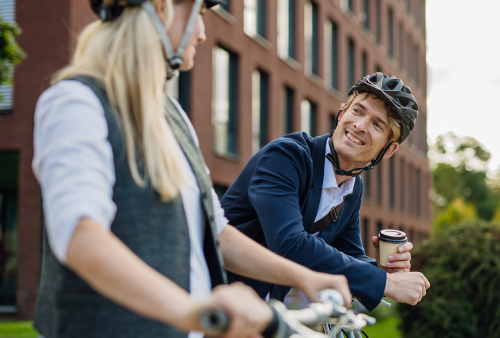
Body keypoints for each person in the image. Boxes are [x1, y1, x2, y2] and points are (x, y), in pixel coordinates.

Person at [31, 1, 351, 338]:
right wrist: (193, 311)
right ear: (161, 8)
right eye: (199, 14)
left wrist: (305, 276)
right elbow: (81, 236)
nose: (202, 33)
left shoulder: (174, 117)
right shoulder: (76, 101)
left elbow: (217, 231)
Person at [220, 72, 431, 311]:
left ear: (389, 150)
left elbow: (349, 255)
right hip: (208, 298)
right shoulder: (286, 157)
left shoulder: (353, 189)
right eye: (358, 111)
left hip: (256, 314)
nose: (359, 126)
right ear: (341, 115)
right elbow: (289, 244)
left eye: (377, 124)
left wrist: (381, 269)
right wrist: (384, 282)